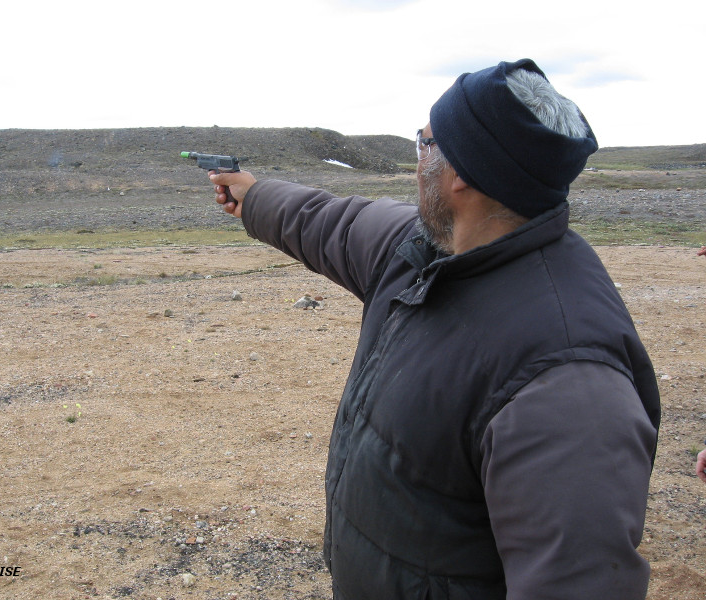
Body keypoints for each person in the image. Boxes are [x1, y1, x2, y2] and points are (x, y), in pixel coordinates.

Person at [208, 59, 661, 600]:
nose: (417, 160)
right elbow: (328, 221)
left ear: (461, 173)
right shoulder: (423, 247)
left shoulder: (567, 379)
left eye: (424, 143)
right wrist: (253, 195)